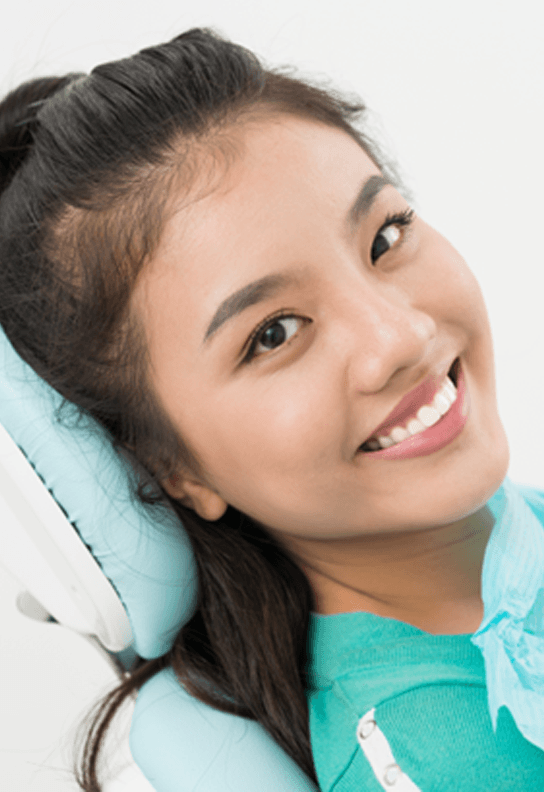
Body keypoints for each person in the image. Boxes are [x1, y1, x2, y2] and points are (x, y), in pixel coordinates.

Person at [1, 26, 543, 792]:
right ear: (175, 466)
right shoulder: (438, 758)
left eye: (385, 236)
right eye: (273, 334)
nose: (401, 336)